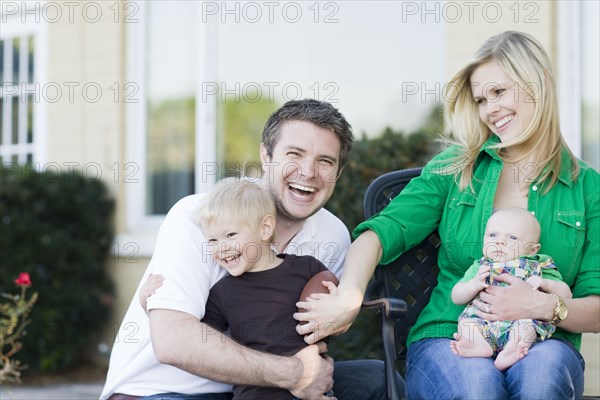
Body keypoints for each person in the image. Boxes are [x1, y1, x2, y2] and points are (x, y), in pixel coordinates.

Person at [295, 31, 599, 399]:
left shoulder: (588, 188)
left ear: (538, 85)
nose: (490, 109)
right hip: (450, 334)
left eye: (499, 92)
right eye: (482, 99)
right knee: (477, 388)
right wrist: (349, 297)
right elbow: (378, 235)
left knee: (542, 377)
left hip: (542, 341)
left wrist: (545, 305)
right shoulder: (454, 169)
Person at [101, 99, 392, 400]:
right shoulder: (198, 216)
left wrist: (338, 321)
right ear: (266, 155)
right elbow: (172, 341)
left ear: (338, 172)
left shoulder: (333, 235)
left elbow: (316, 331)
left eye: (325, 161)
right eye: (295, 154)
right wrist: (295, 373)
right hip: (164, 390)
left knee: (376, 379)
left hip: (260, 388)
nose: (308, 172)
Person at [141, 178, 338, 399]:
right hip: (254, 395)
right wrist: (147, 306)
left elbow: (334, 309)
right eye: (212, 240)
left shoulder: (307, 268)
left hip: (313, 390)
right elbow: (202, 340)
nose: (221, 248)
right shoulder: (223, 292)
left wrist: (336, 308)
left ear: (264, 229)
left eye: (231, 235)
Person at [450, 207, 572, 371]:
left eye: (513, 237)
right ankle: (477, 344)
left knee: (527, 327)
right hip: (482, 321)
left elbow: (566, 295)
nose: (500, 241)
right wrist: (473, 284)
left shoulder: (538, 264)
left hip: (519, 322)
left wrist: (545, 283)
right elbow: (456, 296)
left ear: (533, 249)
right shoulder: (480, 266)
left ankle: (512, 349)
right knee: (466, 323)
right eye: (493, 235)